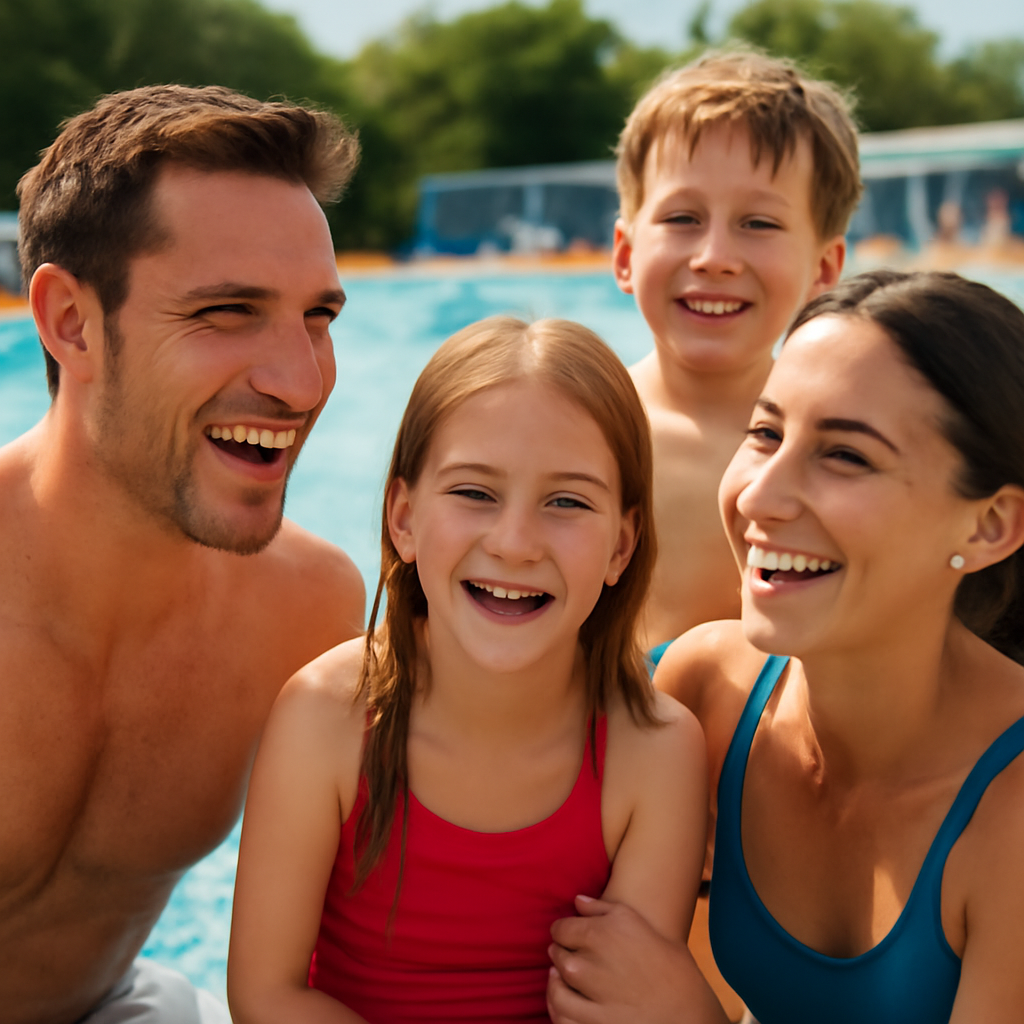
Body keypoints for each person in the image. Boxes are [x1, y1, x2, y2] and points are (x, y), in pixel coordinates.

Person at [547, 270, 1024, 1023]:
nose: (760, 496)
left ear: (988, 525)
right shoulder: (709, 693)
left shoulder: (1011, 817)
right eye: (764, 432)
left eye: (846, 456)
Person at [227, 317, 712, 1023]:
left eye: (567, 502)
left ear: (622, 545)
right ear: (404, 518)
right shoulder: (326, 716)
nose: (515, 543)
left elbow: (621, 1006)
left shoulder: (654, 752)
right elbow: (266, 997)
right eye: (474, 493)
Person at [3, 85, 366, 1023]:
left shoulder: (310, 610)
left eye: (318, 317)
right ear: (71, 323)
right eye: (228, 311)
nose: (299, 381)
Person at [613, 49, 859, 660]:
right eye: (683, 217)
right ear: (624, 253)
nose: (714, 255)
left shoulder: (853, 450)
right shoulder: (581, 422)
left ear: (824, 267)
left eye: (759, 224)